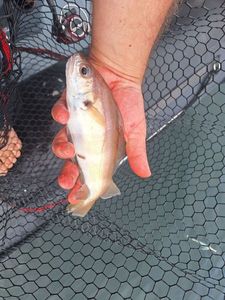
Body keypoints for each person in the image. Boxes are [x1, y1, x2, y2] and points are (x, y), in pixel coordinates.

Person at [51, 0, 176, 204]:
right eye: (85, 71)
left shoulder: (87, 101)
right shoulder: (87, 100)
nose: (80, 66)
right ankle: (93, 189)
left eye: (84, 72)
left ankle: (93, 190)